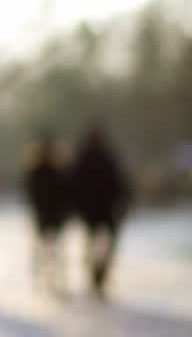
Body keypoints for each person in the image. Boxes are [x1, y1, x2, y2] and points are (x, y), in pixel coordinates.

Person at [70, 124, 132, 299]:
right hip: (100, 210)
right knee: (103, 241)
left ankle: (97, 271)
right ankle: (97, 272)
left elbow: (119, 183)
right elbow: (120, 183)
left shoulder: (89, 158)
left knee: (97, 241)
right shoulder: (102, 157)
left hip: (97, 210)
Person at [21, 131, 71, 295]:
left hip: (46, 216)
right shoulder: (57, 170)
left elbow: (30, 193)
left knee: (47, 250)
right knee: (52, 250)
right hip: (50, 216)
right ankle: (49, 279)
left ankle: (47, 279)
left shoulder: (37, 170)